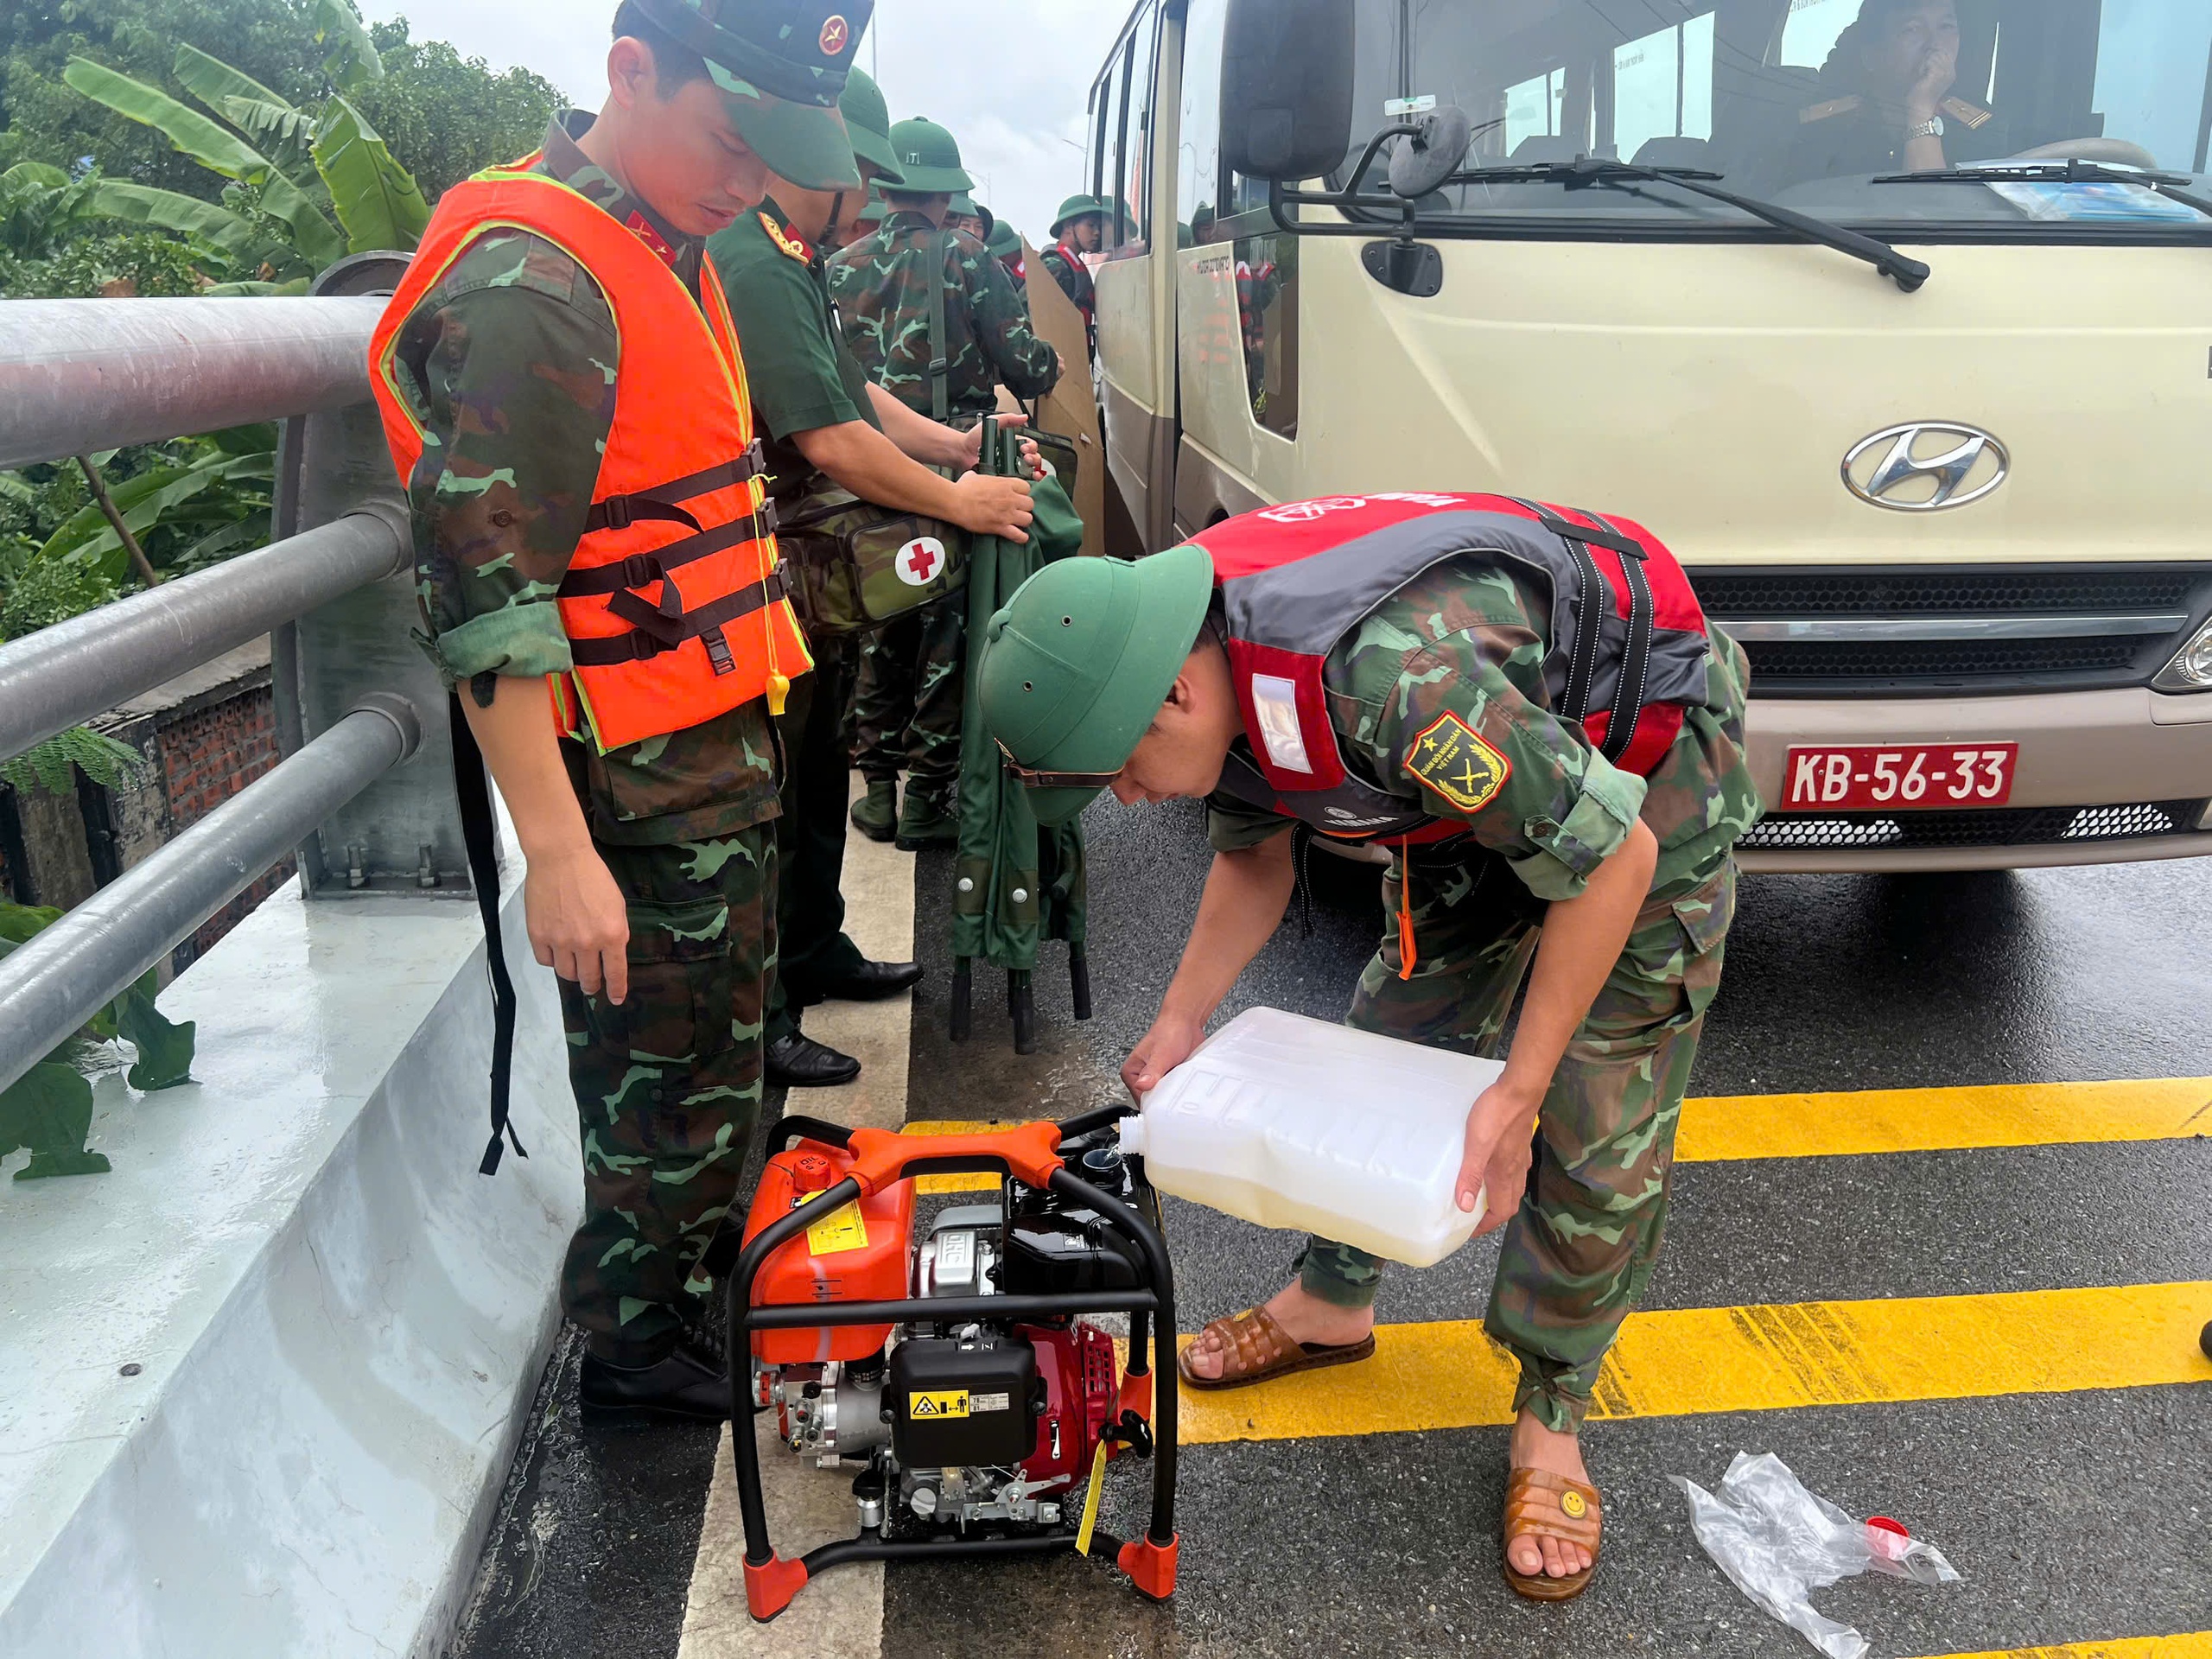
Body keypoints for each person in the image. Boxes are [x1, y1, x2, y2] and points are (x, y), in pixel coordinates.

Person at [976, 493, 1761, 1598]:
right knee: (1394, 1028)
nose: (1125, 792)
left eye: (1120, 769)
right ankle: (1331, 1302)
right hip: (1470, 790)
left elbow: (1611, 860)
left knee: (1598, 1114)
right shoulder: (1192, 649)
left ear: (1175, 694)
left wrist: (1522, 1094)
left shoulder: (1387, 680)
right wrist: (1181, 1017)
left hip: (1646, 787)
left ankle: (1552, 1412)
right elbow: (1253, 857)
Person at [366, 0, 866, 1422]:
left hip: (700, 765)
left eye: (773, 158)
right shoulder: (534, 279)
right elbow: (485, 583)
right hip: (627, 791)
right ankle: (638, 1348)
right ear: (627, 72)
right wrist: (558, 850)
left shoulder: (658, 239)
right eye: (730, 141)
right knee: (661, 1086)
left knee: (708, 1058)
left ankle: (688, 1287)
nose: (747, 184)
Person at [706, 70, 1040, 1087]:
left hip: (801, 581)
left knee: (816, 783)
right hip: (758, 576)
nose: (874, 198)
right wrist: (962, 500)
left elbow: (861, 396)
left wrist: (961, 446)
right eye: (865, 175)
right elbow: (834, 440)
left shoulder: (791, 257)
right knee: (769, 803)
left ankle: (816, 953)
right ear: (839, 167)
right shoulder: (751, 260)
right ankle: (765, 1015)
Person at [830, 118, 1061, 849]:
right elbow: (1026, 364)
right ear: (944, 196)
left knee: (876, 618)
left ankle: (874, 791)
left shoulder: (837, 269)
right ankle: (928, 798)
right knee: (945, 627)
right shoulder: (967, 258)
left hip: (864, 459)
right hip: (954, 458)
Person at [1766, 0, 2004, 192]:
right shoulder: (1826, 127)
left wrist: (1921, 106)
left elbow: (1941, 228)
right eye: (1912, 29)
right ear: (1872, 56)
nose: (1934, 44)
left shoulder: (1981, 130)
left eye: (1947, 27)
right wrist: (1921, 107)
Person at [1039, 193, 1104, 338]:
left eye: (1099, 227)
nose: (1097, 233)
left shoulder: (1070, 262)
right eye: (1091, 225)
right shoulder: (1056, 264)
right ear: (1069, 226)